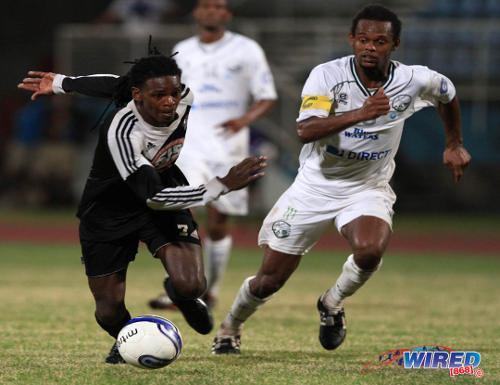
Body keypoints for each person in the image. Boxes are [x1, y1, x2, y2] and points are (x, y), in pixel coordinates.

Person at [210, 4, 471, 354]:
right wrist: (362, 113)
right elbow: (305, 129)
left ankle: (331, 303)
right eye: (363, 39)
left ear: (395, 44)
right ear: (351, 39)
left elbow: (447, 94)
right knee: (269, 281)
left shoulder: (415, 79)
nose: (369, 47)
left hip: (367, 186)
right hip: (314, 187)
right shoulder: (327, 75)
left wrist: (454, 143)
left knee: (369, 250)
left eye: (380, 41)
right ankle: (230, 327)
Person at [18, 55, 267, 363]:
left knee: (192, 285)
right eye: (159, 95)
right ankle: (129, 337)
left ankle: (180, 295)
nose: (169, 101)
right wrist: (222, 185)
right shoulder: (123, 130)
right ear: (138, 96)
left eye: (173, 93)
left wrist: (62, 83)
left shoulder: (184, 97)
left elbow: (116, 83)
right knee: (108, 311)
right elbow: (153, 196)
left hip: (163, 188)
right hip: (113, 206)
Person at [148, 0, 277, 311]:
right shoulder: (183, 49)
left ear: (228, 14)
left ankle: (212, 290)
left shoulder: (246, 49)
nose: (212, 11)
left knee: (218, 223)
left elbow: (267, 95)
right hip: (188, 144)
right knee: (182, 216)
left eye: (219, 6)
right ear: (196, 12)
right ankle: (184, 288)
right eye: (206, 5)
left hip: (228, 147)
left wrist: (243, 121)